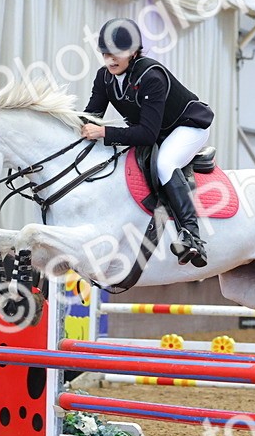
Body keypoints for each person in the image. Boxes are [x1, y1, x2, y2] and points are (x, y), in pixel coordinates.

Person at [81, 18, 214, 268]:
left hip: (188, 127)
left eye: (116, 54)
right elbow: (91, 116)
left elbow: (146, 135)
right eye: (105, 53)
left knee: (164, 164)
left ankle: (192, 235)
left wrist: (104, 132)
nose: (110, 60)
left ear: (133, 52)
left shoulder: (151, 76)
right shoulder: (104, 77)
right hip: (158, 131)